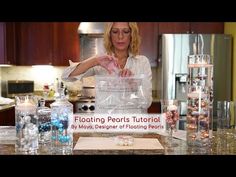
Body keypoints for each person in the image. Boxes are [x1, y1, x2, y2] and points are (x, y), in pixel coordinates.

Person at [62, 22, 152, 111]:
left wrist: (133, 84)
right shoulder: (101, 61)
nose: (120, 36)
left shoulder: (142, 62)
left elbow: (147, 103)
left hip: (133, 124)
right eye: (115, 32)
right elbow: (67, 76)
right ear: (109, 35)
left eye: (126, 31)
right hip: (106, 123)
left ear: (132, 35)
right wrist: (95, 60)